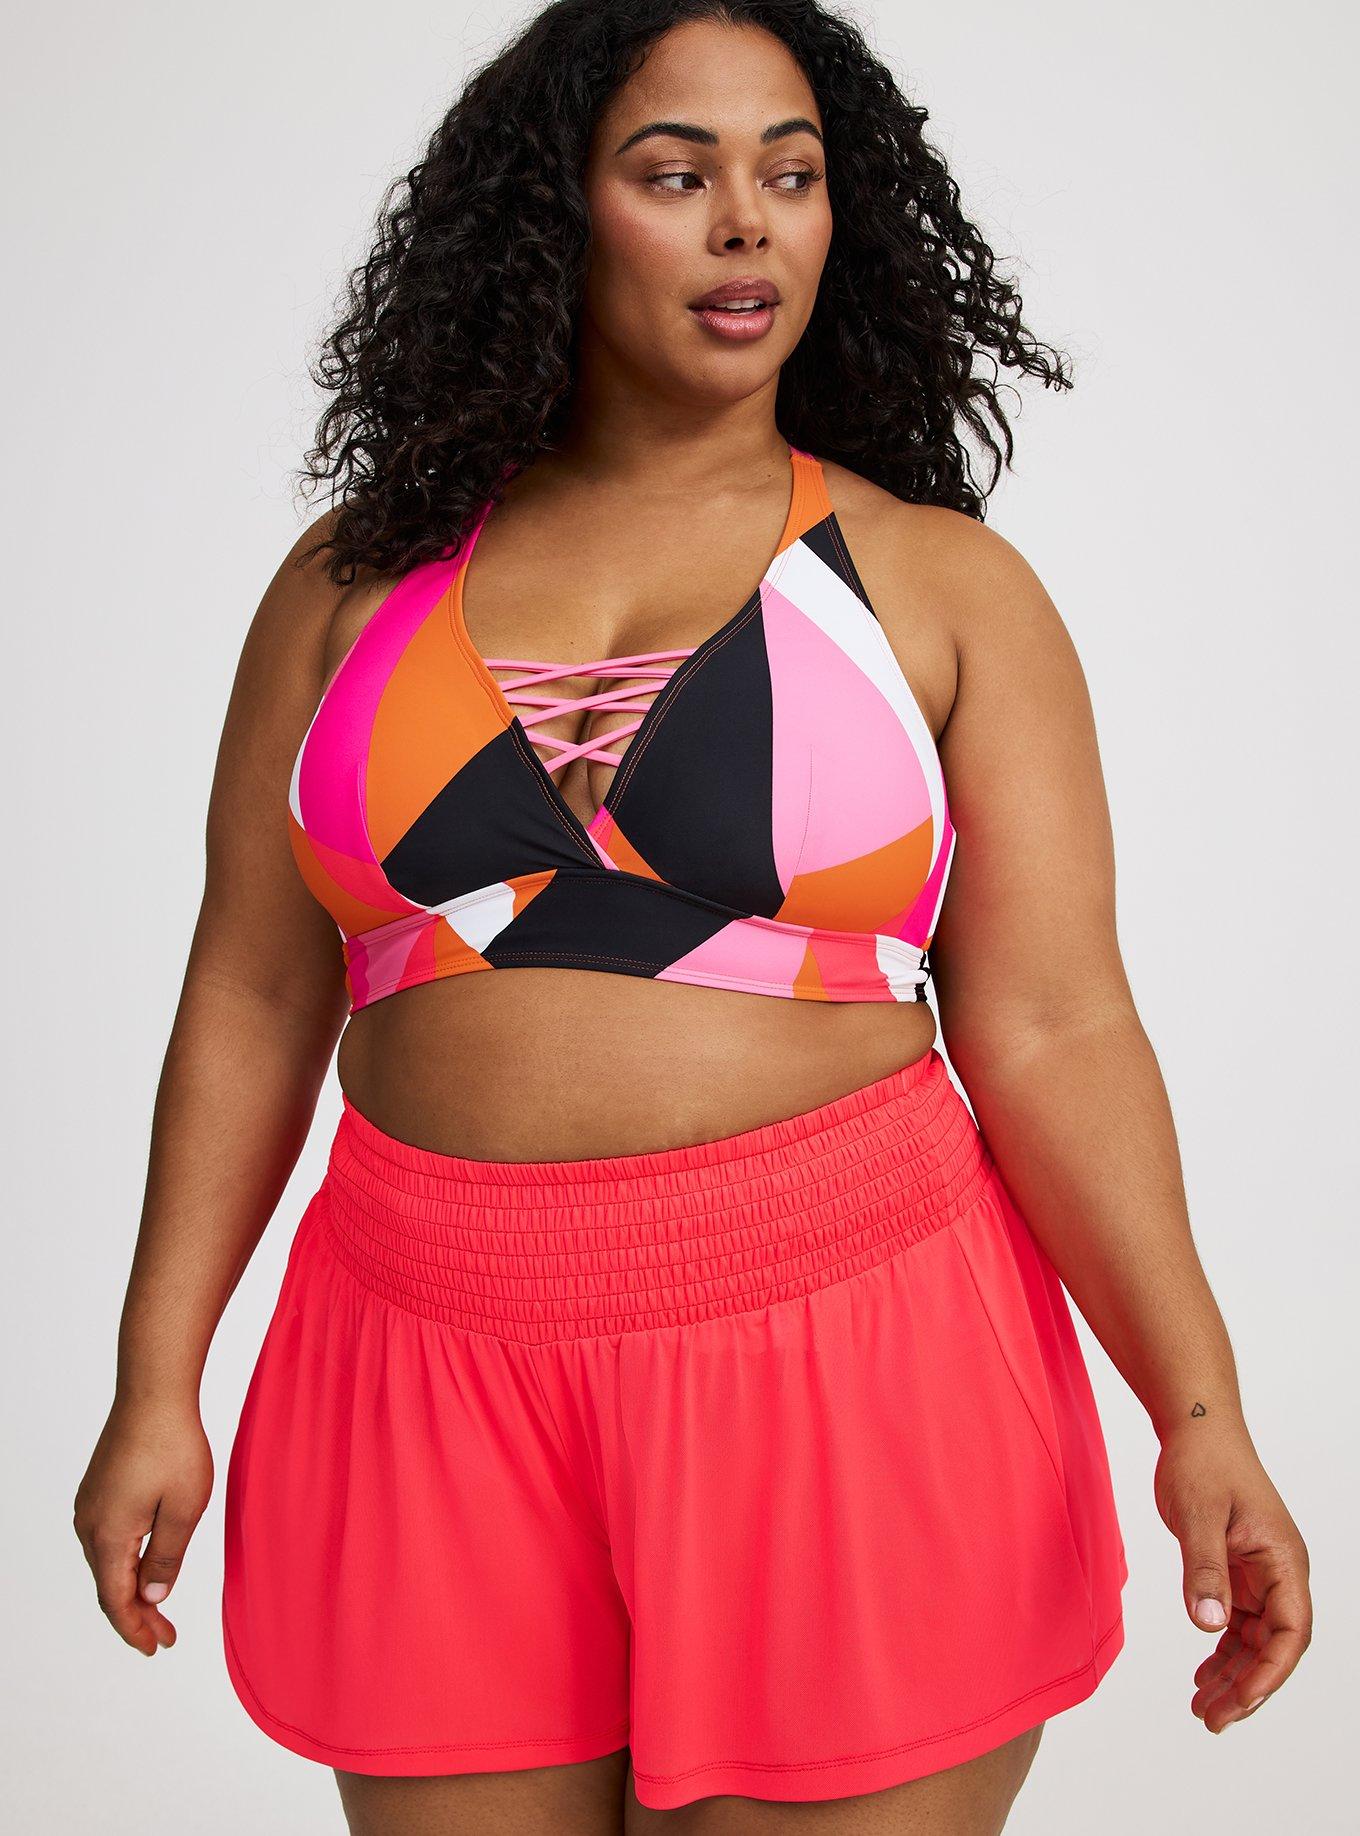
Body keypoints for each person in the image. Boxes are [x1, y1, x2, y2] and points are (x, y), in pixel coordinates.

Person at [73, 2, 1312, 1830]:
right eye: (676, 175)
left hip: (852, 1353)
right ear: (552, 219)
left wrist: (1198, 1410)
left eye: (791, 177)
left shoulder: (944, 586)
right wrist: (153, 1380)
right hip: (426, 1362)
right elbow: (253, 997)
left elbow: (1056, 1026)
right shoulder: (347, 587)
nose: (748, 222)